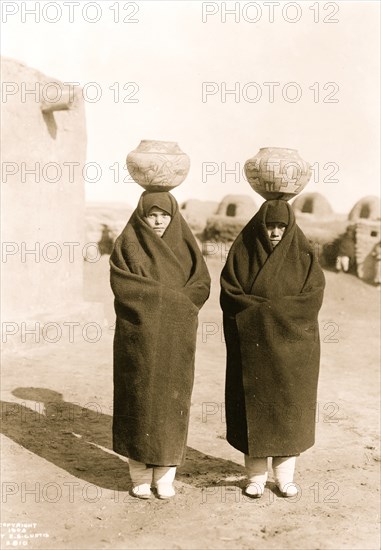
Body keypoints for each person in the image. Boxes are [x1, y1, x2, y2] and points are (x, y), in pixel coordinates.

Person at [220, 199, 325, 498]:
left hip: (292, 350)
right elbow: (230, 293)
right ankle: (254, 476)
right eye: (269, 226)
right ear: (260, 227)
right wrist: (266, 313)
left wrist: (268, 312)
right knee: (253, 411)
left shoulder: (303, 255)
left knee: (288, 411)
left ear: (289, 226)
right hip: (251, 348)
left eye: (281, 226)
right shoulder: (242, 252)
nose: (275, 232)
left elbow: (312, 298)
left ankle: (284, 477)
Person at [110, 191, 210, 499]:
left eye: (164, 215)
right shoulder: (127, 243)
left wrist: (175, 305)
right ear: (142, 214)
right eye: (152, 214)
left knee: (171, 403)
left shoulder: (186, 245)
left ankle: (165, 475)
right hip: (138, 335)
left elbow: (201, 284)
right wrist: (170, 299)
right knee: (138, 399)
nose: (158, 220)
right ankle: (139, 474)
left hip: (176, 336)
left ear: (173, 216)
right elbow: (124, 284)